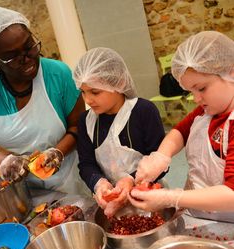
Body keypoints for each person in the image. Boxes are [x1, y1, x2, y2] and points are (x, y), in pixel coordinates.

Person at [0, 4, 89, 195]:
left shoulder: (58, 74)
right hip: (18, 194)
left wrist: (57, 152)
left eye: (29, 47)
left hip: (70, 183)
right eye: (13, 56)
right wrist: (3, 162)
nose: (27, 58)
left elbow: (79, 126)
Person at [129, 31, 234, 223]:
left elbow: (232, 194)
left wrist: (171, 197)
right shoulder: (206, 110)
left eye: (201, 88)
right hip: (199, 214)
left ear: (231, 72)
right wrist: (161, 156)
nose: (196, 99)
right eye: (191, 91)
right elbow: (179, 132)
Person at [73, 47, 166, 217]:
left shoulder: (143, 111)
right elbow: (86, 164)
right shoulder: (85, 121)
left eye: (95, 92)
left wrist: (130, 179)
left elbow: (160, 160)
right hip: (112, 204)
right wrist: (99, 183)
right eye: (83, 92)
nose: (87, 100)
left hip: (150, 198)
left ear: (117, 83)